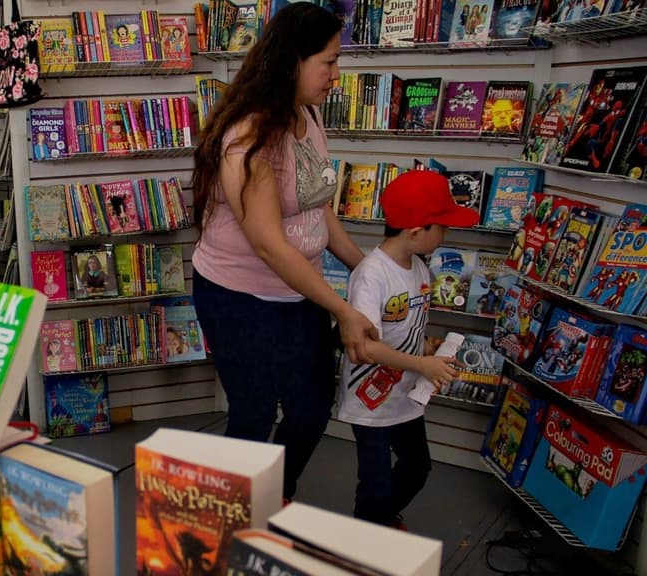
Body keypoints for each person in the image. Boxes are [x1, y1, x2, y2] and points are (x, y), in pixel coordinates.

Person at [190, 2, 379, 502]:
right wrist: (343, 308)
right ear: (293, 61)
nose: (336, 75)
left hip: (299, 292)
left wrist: (368, 270)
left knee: (312, 409)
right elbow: (270, 245)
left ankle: (275, 492)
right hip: (237, 296)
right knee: (252, 415)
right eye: (329, 62)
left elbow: (318, 209)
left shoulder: (307, 114)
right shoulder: (248, 138)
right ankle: (235, 510)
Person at [336, 170, 478, 528]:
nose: (447, 234)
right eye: (443, 227)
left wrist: (427, 349)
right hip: (370, 401)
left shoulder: (419, 268)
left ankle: (380, 521)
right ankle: (363, 538)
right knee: (375, 482)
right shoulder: (372, 275)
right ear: (416, 232)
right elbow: (365, 347)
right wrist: (422, 364)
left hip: (405, 396)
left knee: (417, 466)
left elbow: (404, 327)